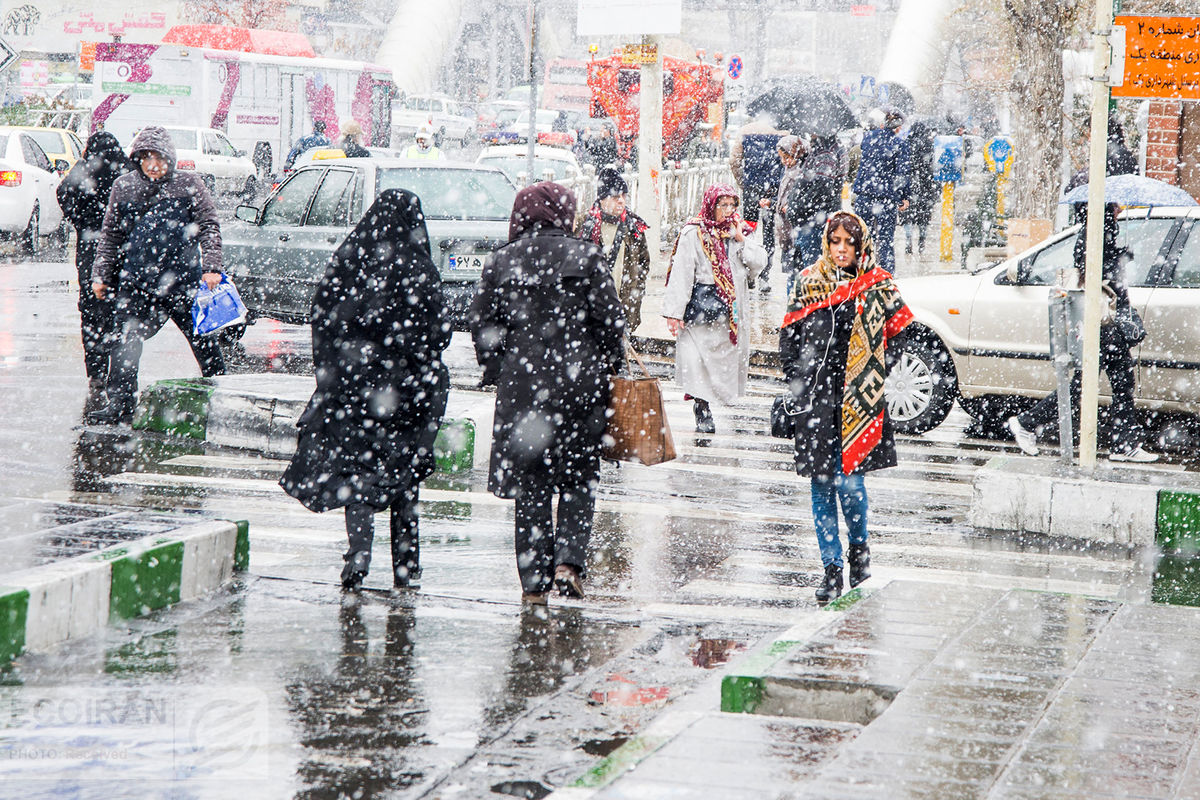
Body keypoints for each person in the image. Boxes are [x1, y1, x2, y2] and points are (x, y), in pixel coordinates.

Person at [280, 190, 452, 591]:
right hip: (408, 391)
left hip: (354, 388)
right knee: (404, 477)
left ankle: (359, 553)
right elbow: (441, 331)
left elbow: (323, 314)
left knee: (357, 473)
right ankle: (406, 566)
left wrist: (335, 368)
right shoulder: (419, 267)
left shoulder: (350, 259)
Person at [470, 181, 625, 604]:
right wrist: (611, 362)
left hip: (524, 389)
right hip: (580, 386)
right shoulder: (587, 256)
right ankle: (568, 562)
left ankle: (534, 580)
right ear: (564, 213)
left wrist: (498, 369)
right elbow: (610, 321)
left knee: (532, 482)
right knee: (578, 475)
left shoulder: (501, 261)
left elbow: (483, 327)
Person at [779, 211, 913, 604]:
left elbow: (901, 333)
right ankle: (831, 568)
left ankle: (860, 552)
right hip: (816, 402)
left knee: (851, 484)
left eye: (848, 243)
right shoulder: (808, 282)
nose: (841, 249)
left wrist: (876, 367)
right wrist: (798, 380)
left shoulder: (879, 284)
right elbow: (788, 337)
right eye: (835, 241)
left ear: (860, 246)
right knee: (821, 484)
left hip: (860, 399)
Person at [86, 126, 225, 425]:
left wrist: (211, 267)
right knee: (124, 343)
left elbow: (209, 225)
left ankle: (225, 394)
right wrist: (101, 275)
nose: (153, 164)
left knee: (204, 341)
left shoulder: (189, 184)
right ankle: (121, 404)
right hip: (137, 284)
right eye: (146, 157)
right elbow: (110, 235)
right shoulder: (124, 187)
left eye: (158, 157)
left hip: (182, 283)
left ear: (170, 158)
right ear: (137, 159)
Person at [1007, 204, 1158, 463]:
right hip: (1103, 318)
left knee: (1118, 381)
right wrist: (1120, 258)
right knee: (1087, 383)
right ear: (1106, 205)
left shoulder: (1103, 228)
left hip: (1108, 318)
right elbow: (1092, 269)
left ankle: (1124, 443)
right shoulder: (1097, 229)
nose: (1121, 208)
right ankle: (1026, 422)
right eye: (1116, 205)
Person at [662, 184, 768, 434]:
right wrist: (674, 313)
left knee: (726, 360)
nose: (728, 211)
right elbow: (682, 274)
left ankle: (721, 396)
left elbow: (758, 265)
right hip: (702, 309)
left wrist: (742, 240)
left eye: (732, 205)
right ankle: (702, 405)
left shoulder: (739, 231)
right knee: (698, 362)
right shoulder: (694, 233)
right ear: (712, 205)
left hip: (730, 312)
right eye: (723, 205)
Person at [56, 131, 132, 414]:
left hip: (90, 250)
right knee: (119, 314)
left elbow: (63, 194)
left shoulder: (83, 169)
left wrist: (82, 222)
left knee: (91, 314)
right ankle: (117, 375)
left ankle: (96, 375)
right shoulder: (125, 170)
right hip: (122, 251)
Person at [579, 167, 651, 332]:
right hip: (593, 308)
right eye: (615, 197)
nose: (621, 201)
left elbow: (644, 263)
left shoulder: (634, 228)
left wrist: (636, 290)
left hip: (624, 305)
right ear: (602, 199)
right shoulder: (586, 226)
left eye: (624, 196)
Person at [729, 113, 786, 290]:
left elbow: (734, 160)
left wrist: (743, 182)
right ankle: (765, 276)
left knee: (748, 230)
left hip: (752, 190)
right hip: (771, 191)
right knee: (769, 233)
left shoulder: (744, 132)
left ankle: (749, 271)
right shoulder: (780, 134)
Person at [852, 107, 910, 274]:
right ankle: (885, 277)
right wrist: (903, 197)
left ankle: (861, 276)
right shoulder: (899, 144)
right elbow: (901, 174)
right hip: (886, 198)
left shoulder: (868, 139)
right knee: (886, 241)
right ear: (898, 126)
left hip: (864, 196)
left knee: (863, 240)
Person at [785, 133, 845, 290]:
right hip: (810, 219)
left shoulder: (826, 154)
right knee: (803, 269)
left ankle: (805, 308)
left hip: (812, 220)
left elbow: (821, 188)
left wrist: (797, 207)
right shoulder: (820, 152)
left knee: (809, 272)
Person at [771, 135, 807, 291]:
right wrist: (774, 204)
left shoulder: (799, 173)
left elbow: (794, 198)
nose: (784, 161)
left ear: (796, 154)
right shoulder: (788, 171)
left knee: (795, 270)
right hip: (787, 227)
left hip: (793, 227)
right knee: (791, 270)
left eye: (787, 157)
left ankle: (793, 301)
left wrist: (788, 207)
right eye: (782, 158)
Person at [900, 119, 937, 256]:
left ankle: (908, 241)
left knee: (907, 216)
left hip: (909, 186)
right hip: (925, 187)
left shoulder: (906, 144)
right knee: (924, 218)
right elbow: (931, 168)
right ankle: (922, 243)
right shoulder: (929, 145)